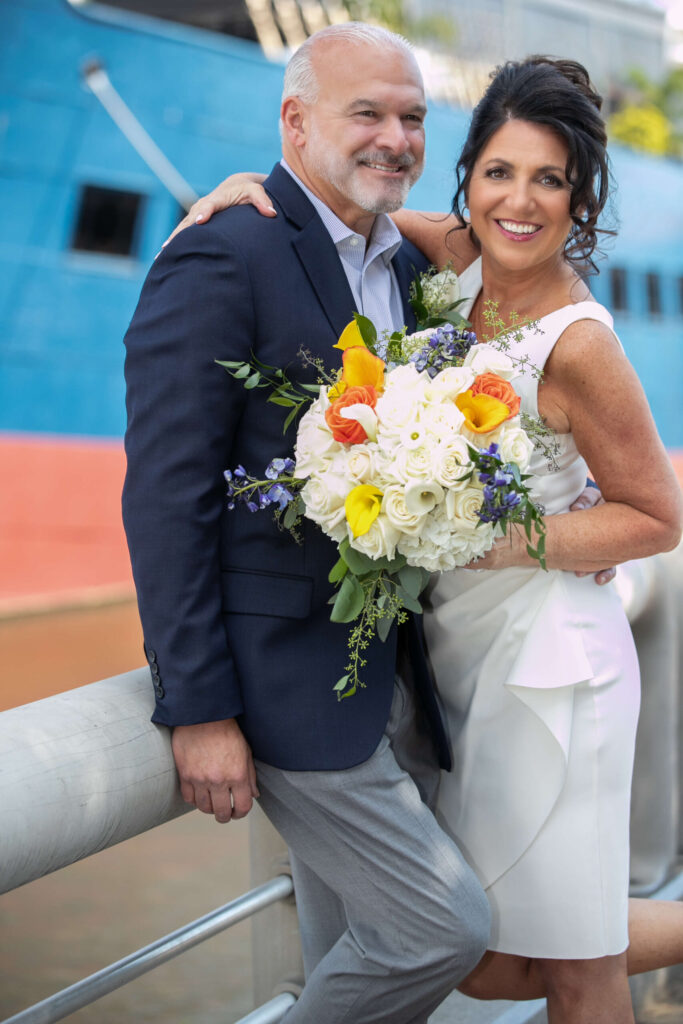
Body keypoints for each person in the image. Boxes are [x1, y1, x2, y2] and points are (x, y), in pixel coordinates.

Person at [175, 56, 683, 1024]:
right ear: (469, 178)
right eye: (497, 171)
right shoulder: (461, 261)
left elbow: (654, 515)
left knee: (569, 965)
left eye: (548, 180)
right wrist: (244, 190)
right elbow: (339, 210)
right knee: (492, 960)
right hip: (464, 662)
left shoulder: (577, 343)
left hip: (551, 674)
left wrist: (487, 539)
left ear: (581, 198)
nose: (517, 201)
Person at [122, 23, 493, 1024]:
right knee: (440, 927)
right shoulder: (222, 254)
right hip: (280, 682)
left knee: (357, 945)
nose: (394, 137)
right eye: (364, 112)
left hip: (395, 676)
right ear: (294, 120)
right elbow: (166, 494)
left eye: (411, 117)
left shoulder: (410, 264)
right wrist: (193, 708)